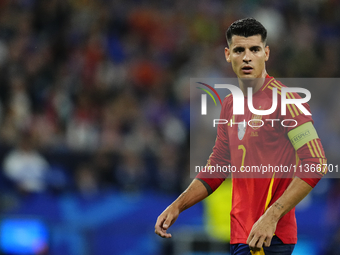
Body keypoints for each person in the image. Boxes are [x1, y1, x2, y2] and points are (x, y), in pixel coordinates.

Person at [154, 18, 327, 255]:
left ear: (266, 53)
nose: (247, 57)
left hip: (269, 236)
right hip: (239, 236)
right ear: (228, 54)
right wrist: (177, 206)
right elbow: (217, 166)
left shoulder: (286, 100)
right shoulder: (230, 104)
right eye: (239, 50)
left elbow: (316, 163)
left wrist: (271, 216)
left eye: (254, 49)